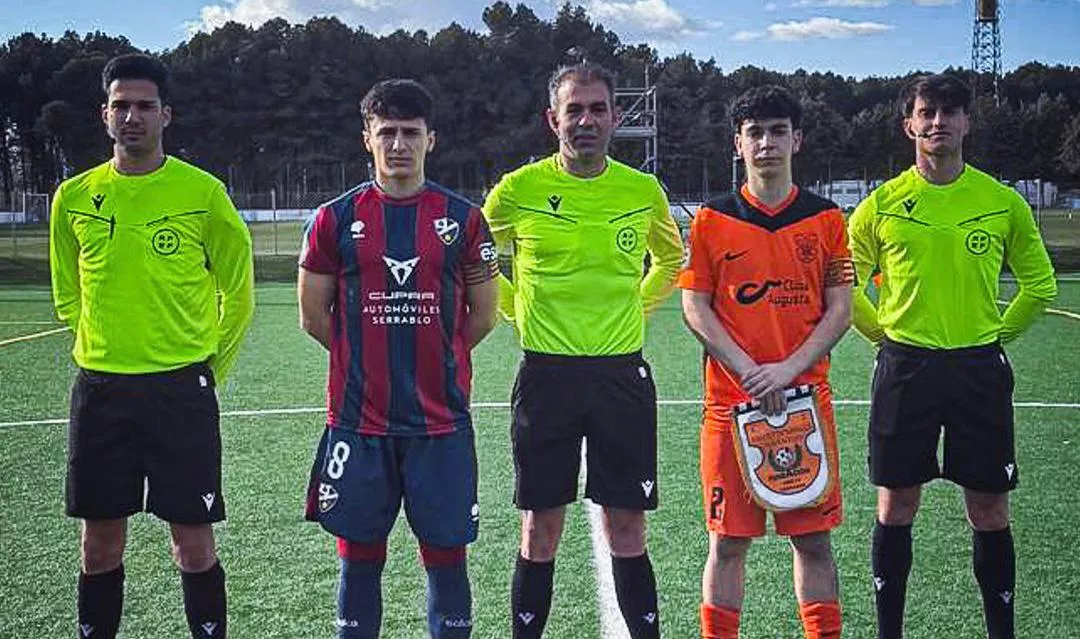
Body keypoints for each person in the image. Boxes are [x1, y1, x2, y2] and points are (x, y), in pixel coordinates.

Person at [49, 53, 255, 639]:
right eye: (121, 105)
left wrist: (209, 368)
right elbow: (69, 295)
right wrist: (103, 345)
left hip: (179, 391)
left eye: (144, 106)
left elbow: (237, 294)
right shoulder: (73, 197)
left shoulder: (203, 193)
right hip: (101, 391)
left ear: (166, 114)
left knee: (192, 542)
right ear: (104, 115)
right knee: (98, 544)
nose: (132, 116)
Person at [849, 73, 1057, 639]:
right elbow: (843, 288)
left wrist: (993, 339)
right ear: (908, 125)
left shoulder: (1000, 202)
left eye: (950, 112)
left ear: (967, 122)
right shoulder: (881, 205)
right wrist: (884, 340)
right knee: (896, 507)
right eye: (927, 112)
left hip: (978, 372)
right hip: (904, 369)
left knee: (989, 511)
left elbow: (1040, 286)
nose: (938, 121)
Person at [483, 63, 684, 639]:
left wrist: (635, 308)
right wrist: (518, 309)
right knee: (539, 527)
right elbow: (477, 254)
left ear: (616, 117)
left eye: (598, 109)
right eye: (575, 110)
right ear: (554, 120)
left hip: (621, 377)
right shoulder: (518, 190)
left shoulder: (642, 191)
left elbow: (671, 261)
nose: (587, 120)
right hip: (545, 378)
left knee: (627, 526)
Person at [298, 79, 500, 639]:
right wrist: (363, 358)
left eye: (410, 133)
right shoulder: (334, 220)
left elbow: (482, 315)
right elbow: (315, 318)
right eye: (386, 133)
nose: (399, 145)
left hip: (440, 423)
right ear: (368, 139)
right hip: (360, 423)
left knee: (446, 554)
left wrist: (438, 356)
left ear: (431, 139)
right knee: (359, 556)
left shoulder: (464, 219)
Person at [680, 85, 853, 639]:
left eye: (777, 131)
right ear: (738, 144)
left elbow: (840, 311)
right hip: (732, 406)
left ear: (796, 140)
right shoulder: (711, 219)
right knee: (727, 542)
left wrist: (785, 370)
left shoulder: (827, 219)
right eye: (754, 132)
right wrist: (750, 372)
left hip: (804, 402)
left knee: (813, 540)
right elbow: (695, 306)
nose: (766, 142)